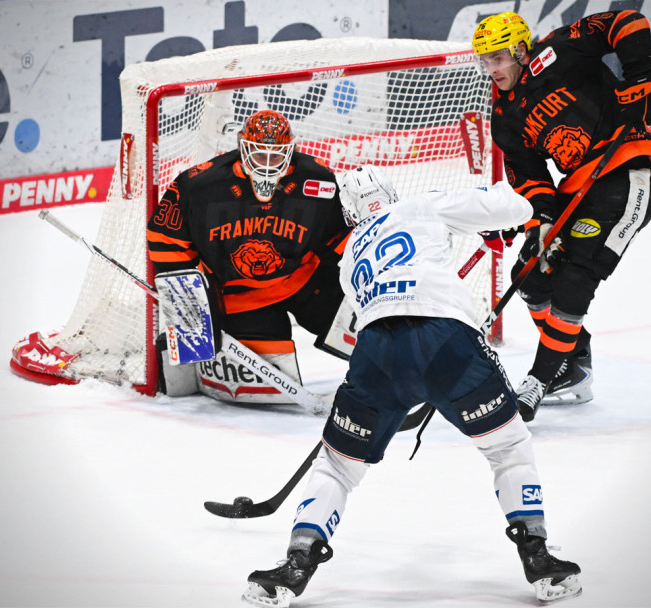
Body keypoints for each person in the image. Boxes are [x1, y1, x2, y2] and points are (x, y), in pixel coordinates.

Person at [240, 165, 582, 608]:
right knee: (508, 448)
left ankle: (295, 565)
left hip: (377, 354)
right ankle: (538, 559)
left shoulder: (349, 261)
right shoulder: (421, 205)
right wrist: (504, 222)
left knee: (337, 467)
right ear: (391, 191)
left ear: (350, 213)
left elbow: (394, 282)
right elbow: (513, 205)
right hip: (448, 343)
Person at [472, 11, 651, 422]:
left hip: (628, 173)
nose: (490, 70)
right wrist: (541, 221)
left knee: (576, 276)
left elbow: (628, 22)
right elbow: (529, 176)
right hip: (579, 191)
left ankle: (538, 381)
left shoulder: (560, 50)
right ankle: (572, 364)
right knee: (530, 273)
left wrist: (639, 79)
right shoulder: (505, 115)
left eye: (497, 59)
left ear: (521, 51)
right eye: (484, 61)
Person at [146, 109, 352, 398]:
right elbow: (163, 237)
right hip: (242, 299)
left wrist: (354, 280)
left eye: (277, 155)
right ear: (243, 148)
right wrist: (194, 300)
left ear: (291, 150)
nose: (268, 164)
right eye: (259, 155)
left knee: (367, 328)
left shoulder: (318, 181)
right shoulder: (201, 185)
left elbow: (342, 235)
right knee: (263, 390)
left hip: (303, 281)